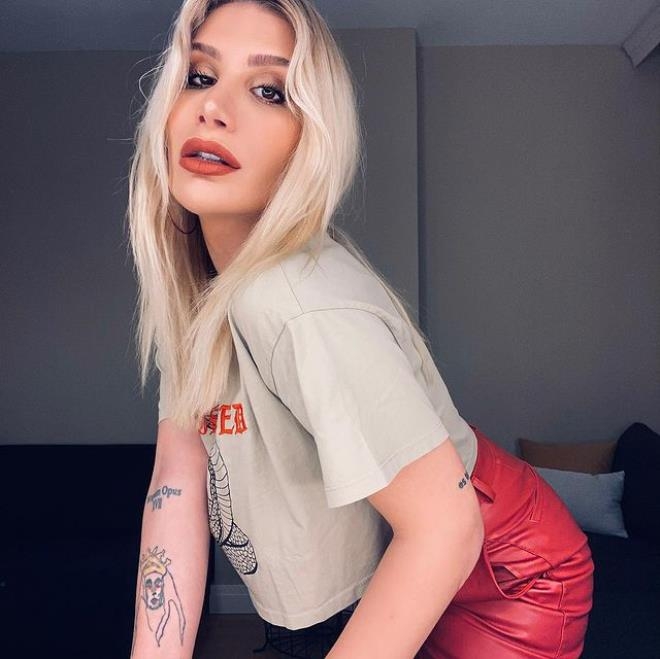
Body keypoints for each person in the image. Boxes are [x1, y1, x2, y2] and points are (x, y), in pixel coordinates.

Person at [126, 1, 594, 657]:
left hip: (506, 578)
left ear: (307, 144)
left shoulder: (297, 303)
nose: (215, 108)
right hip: (401, 556)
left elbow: (445, 528)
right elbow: (176, 481)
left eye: (269, 91)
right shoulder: (197, 292)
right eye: (200, 76)